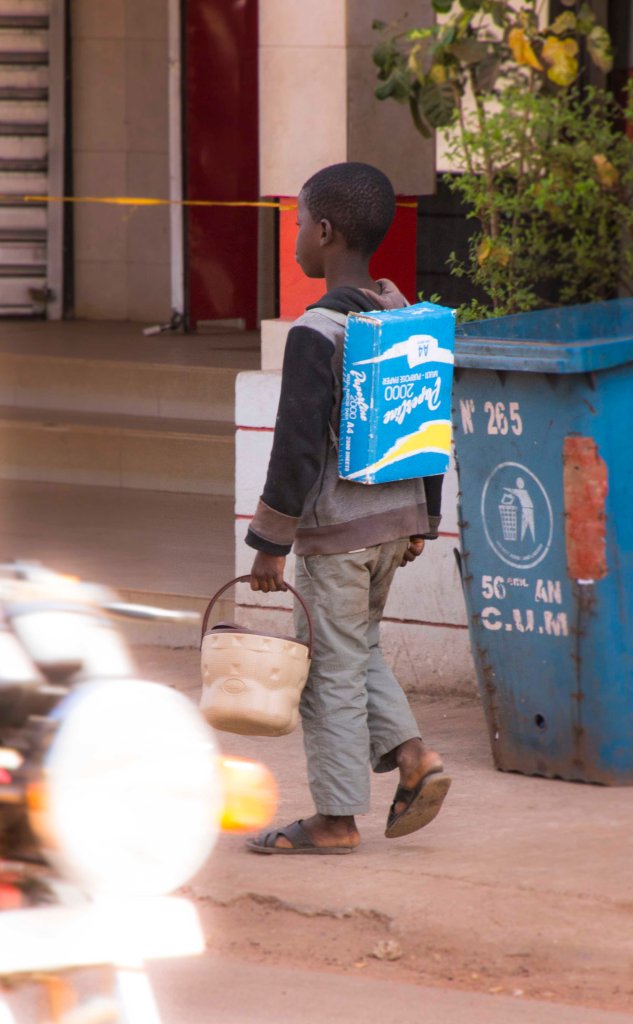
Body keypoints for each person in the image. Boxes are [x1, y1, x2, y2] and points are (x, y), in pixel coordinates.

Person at [245, 162, 451, 855]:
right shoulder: (401, 316)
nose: (296, 236)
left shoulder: (317, 331)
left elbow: (298, 445)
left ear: (324, 231)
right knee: (355, 647)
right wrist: (423, 514)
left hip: (339, 531)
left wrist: (270, 541)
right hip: (395, 521)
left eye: (299, 223)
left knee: (326, 672)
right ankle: (414, 757)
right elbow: (427, 420)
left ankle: (334, 820)